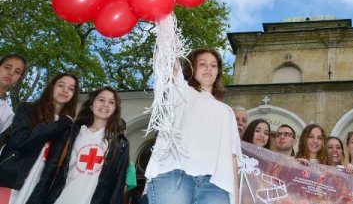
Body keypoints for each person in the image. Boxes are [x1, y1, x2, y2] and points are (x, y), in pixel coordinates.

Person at [145, 48, 241, 204]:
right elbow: (168, 56)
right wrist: (165, 24)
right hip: (175, 175)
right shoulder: (181, 91)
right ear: (192, 68)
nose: (208, 68)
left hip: (215, 185)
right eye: (202, 64)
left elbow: (233, 157)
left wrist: (236, 200)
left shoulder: (227, 112)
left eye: (213, 65)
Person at [0, 73, 78, 204]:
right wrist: (59, 125)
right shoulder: (28, 109)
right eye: (61, 85)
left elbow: (60, 167)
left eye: (71, 88)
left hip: (37, 188)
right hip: (11, 179)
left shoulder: (69, 127)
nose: (65, 90)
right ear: (51, 87)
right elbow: (19, 141)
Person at [45, 87, 130, 204]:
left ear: (115, 109)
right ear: (91, 105)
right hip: (61, 198)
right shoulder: (71, 133)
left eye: (111, 102)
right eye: (101, 100)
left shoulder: (120, 143)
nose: (105, 104)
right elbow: (51, 168)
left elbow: (118, 185)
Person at [0, 53, 27, 133]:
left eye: (17, 72)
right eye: (7, 67)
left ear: (18, 79)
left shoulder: (8, 115)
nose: (11, 73)